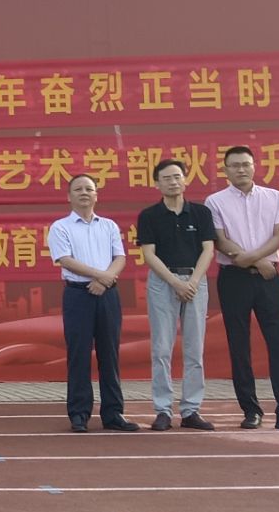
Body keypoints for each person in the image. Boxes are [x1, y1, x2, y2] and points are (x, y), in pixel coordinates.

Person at [206, 146, 279, 430]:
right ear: (226, 170)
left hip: (269, 277)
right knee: (239, 345)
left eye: (245, 164)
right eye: (234, 165)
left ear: (254, 166)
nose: (241, 169)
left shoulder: (274, 196)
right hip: (234, 278)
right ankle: (250, 410)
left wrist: (256, 260)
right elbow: (220, 240)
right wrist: (255, 261)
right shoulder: (215, 201)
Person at [49, 174, 135, 432]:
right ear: (69, 196)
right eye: (78, 189)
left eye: (89, 189)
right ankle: (79, 414)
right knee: (79, 355)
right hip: (78, 295)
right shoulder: (60, 227)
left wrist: (105, 281)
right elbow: (65, 260)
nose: (84, 193)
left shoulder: (108, 226)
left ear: (96, 195)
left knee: (110, 354)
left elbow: (120, 257)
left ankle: (113, 413)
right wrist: (100, 276)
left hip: (107, 295)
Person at [135, 160, 216, 431]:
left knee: (194, 349)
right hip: (162, 282)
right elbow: (149, 254)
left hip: (195, 281)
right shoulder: (149, 215)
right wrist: (174, 282)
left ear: (185, 180)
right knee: (161, 348)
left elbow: (208, 249)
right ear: (157, 184)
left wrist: (192, 281)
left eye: (177, 176)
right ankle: (163, 410)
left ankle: (191, 409)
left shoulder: (201, 213)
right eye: (167, 178)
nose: (173, 182)